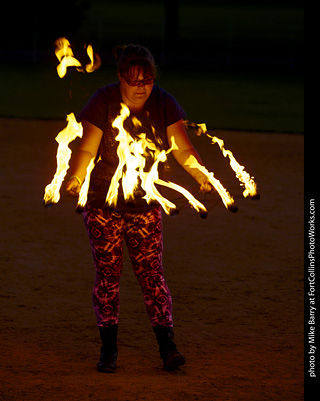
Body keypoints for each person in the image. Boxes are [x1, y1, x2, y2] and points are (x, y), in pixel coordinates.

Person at [66, 44, 212, 373]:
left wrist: (203, 177)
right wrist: (76, 178)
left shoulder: (164, 102)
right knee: (108, 278)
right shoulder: (102, 100)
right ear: (120, 78)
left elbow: (182, 148)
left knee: (152, 277)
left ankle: (167, 347)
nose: (141, 86)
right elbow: (87, 147)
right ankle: (109, 349)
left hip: (144, 205)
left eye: (146, 78)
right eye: (133, 80)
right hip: (104, 202)